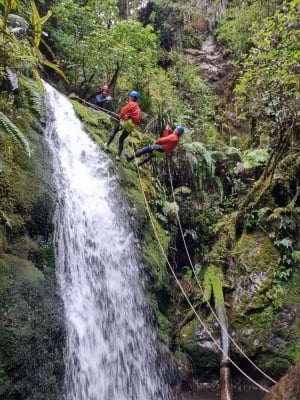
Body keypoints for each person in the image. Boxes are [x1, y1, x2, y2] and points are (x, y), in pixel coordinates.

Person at [104, 90, 141, 161]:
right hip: (132, 125)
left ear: (133, 97)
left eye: (130, 96)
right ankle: (118, 156)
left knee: (115, 131)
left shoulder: (131, 103)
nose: (129, 97)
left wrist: (120, 117)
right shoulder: (138, 108)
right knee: (121, 139)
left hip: (126, 122)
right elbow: (138, 118)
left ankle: (107, 145)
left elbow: (124, 111)